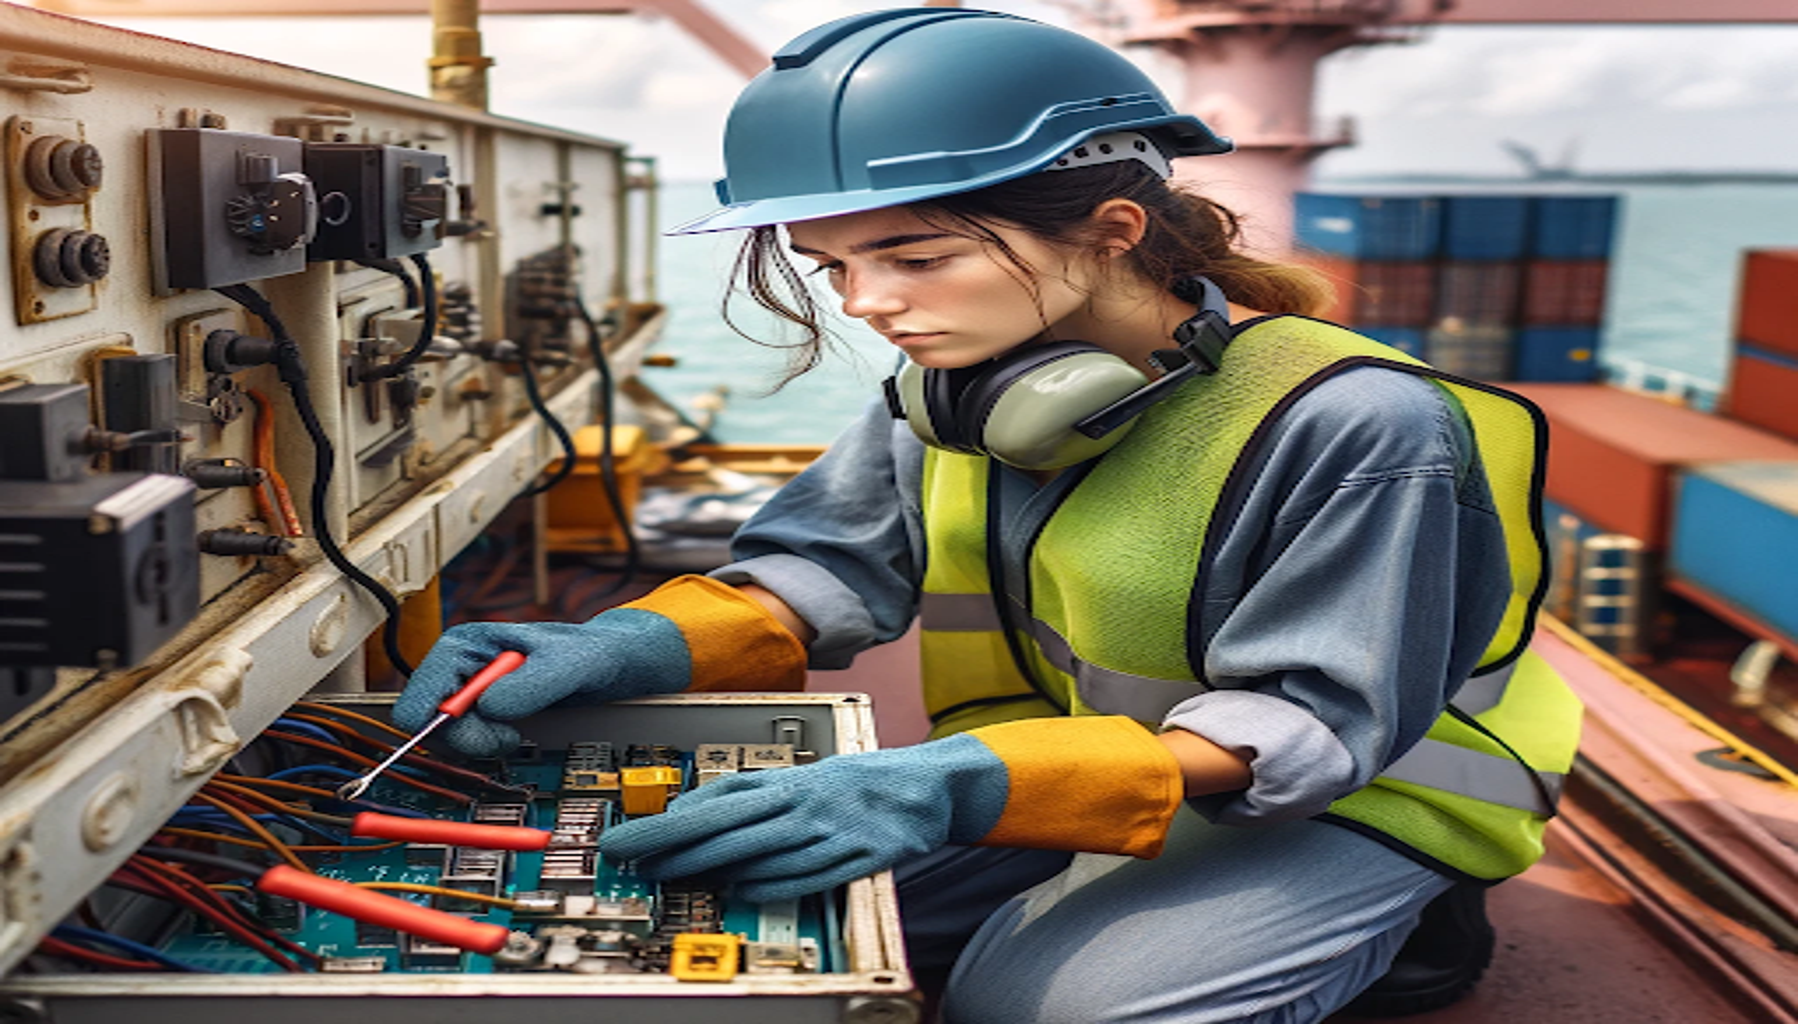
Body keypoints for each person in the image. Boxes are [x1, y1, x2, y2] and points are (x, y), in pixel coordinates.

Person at [395, 9, 1582, 1022]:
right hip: (1085, 764)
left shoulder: (1359, 423)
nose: (870, 306)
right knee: (784, 894)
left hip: (1363, 787)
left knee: (1038, 1004)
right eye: (835, 268)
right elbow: (820, 571)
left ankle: (1417, 924)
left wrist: (946, 786)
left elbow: (1304, 726)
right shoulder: (956, 392)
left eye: (910, 256)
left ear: (1113, 231)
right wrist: (619, 644)